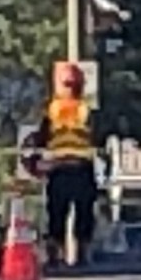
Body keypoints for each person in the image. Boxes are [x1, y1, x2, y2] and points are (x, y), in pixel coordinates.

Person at [41, 69, 99, 268]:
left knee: (66, 212)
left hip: (67, 167)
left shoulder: (53, 109)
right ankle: (69, 253)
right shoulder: (84, 109)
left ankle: (64, 253)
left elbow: (43, 136)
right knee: (71, 212)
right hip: (74, 166)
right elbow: (95, 134)